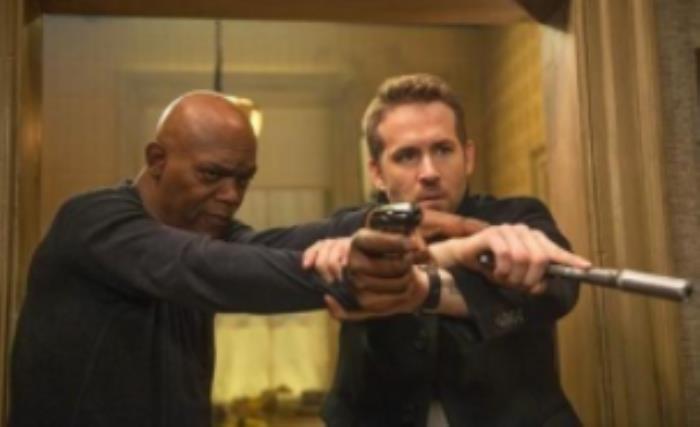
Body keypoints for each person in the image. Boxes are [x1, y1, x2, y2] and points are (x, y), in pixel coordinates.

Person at [9, 91, 458, 427]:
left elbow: (276, 245)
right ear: (157, 160)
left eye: (243, 180)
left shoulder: (205, 229)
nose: (231, 195)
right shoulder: (94, 220)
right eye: (212, 174)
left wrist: (386, 221)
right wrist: (353, 271)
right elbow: (207, 267)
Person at [304, 74, 591, 426]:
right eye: (407, 156)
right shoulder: (352, 232)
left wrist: (427, 288)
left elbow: (560, 291)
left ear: (467, 157)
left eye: (442, 150)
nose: (429, 172)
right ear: (377, 173)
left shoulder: (517, 217)